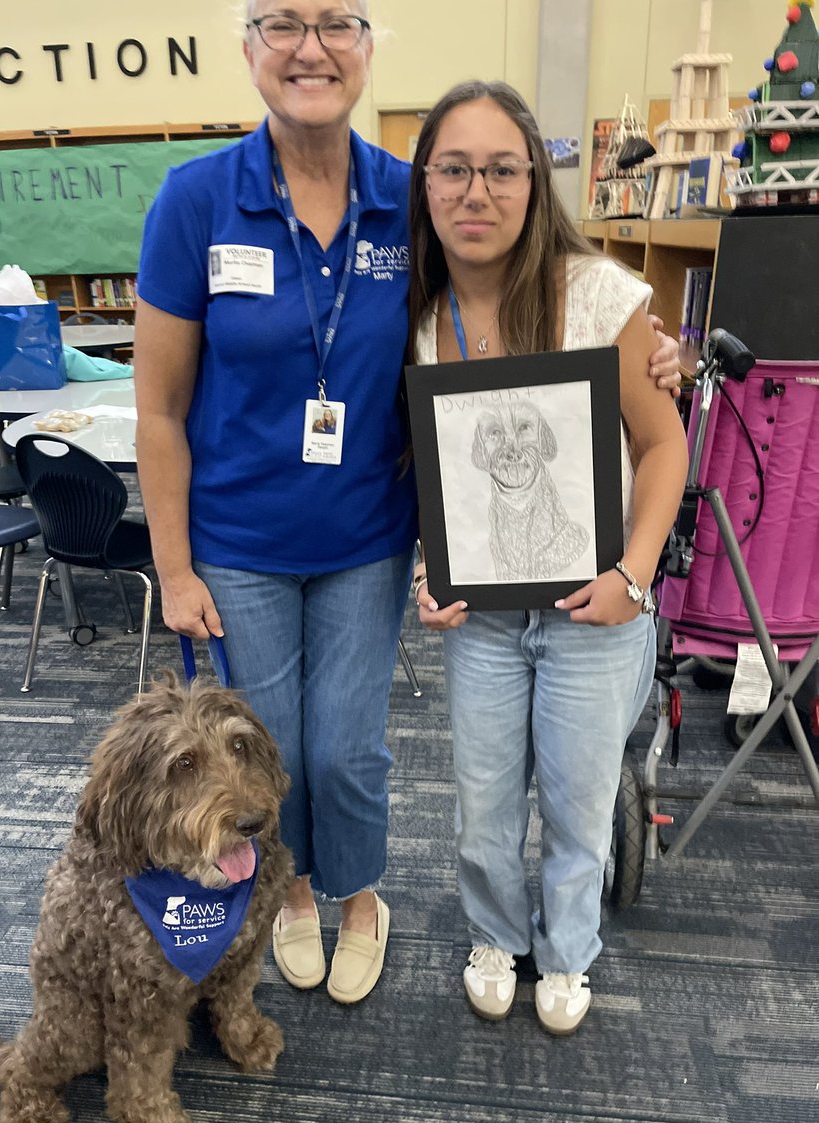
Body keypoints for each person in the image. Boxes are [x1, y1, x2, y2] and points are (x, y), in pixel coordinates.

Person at [133, 3, 683, 1007]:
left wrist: (653, 348)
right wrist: (172, 565)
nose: (310, 47)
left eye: (335, 22)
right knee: (271, 748)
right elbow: (160, 408)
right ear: (247, 45)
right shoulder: (195, 201)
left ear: (367, 45)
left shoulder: (411, 196)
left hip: (367, 538)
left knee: (345, 749)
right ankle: (292, 894)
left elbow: (526, 315)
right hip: (240, 539)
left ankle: (360, 898)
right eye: (281, 24)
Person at [408, 80, 688, 1034]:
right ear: (427, 185)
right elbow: (430, 474)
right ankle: (498, 933)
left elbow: (664, 449)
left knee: (577, 805)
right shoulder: (418, 319)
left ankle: (569, 952)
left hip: (594, 611)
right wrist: (426, 569)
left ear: (533, 182)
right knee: (483, 808)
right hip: (481, 616)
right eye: (454, 169)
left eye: (499, 169)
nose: (475, 191)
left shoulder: (598, 296)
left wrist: (634, 577)